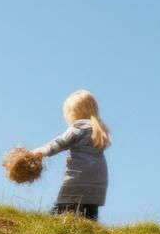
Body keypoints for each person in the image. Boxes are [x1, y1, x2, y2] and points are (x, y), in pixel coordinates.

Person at [32, 90, 111, 221]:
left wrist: (38, 152)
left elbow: (59, 143)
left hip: (77, 183)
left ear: (73, 113)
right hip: (97, 188)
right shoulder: (98, 130)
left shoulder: (78, 128)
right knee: (88, 217)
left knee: (59, 214)